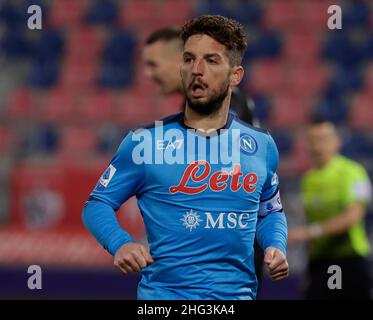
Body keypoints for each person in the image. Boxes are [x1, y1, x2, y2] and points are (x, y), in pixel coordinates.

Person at [82, 15, 288, 300]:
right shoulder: (145, 142)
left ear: (235, 75)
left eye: (211, 61)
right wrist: (120, 244)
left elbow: (270, 211)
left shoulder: (262, 145)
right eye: (189, 59)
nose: (197, 70)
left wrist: (276, 245)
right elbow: (98, 204)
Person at [143, 25, 264, 289]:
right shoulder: (203, 105)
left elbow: (224, 175)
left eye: (153, 65)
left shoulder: (221, 103)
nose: (148, 74)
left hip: (223, 254)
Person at [288, 117, 372, 299]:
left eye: (323, 139)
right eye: (313, 140)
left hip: (348, 260)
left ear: (336, 141)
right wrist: (308, 271)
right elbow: (312, 222)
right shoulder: (308, 180)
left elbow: (353, 217)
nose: (318, 146)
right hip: (319, 263)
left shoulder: (352, 172)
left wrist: (307, 233)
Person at [143, 27, 258, 126]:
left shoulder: (222, 99)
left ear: (180, 60)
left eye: (153, 65)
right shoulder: (196, 104)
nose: (147, 73)